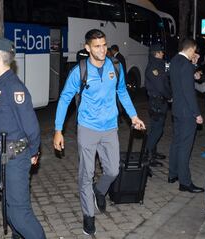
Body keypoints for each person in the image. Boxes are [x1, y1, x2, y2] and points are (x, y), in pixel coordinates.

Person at [53, 29, 145, 235]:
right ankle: (88, 215)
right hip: (87, 128)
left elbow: (122, 91)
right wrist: (58, 130)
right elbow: (65, 99)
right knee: (86, 174)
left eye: (104, 45)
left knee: (113, 170)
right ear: (87, 48)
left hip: (110, 127)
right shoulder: (80, 71)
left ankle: (99, 191)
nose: (102, 49)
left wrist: (133, 116)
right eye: (97, 46)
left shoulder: (116, 66)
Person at [0, 37, 46, 238]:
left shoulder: (13, 87)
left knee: (20, 214)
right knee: (8, 209)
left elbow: (32, 127)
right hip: (1, 156)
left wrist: (34, 151)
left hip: (15, 158)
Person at [168, 38, 204, 193]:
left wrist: (193, 65)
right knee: (185, 147)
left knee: (176, 142)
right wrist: (197, 114)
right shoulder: (186, 65)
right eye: (194, 51)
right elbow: (189, 92)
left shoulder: (175, 60)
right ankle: (185, 182)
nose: (195, 54)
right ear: (191, 49)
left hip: (176, 109)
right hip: (186, 112)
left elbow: (180, 81)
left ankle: (173, 174)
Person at [144, 43, 172, 167]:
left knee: (156, 128)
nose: (163, 53)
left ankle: (152, 152)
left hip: (159, 101)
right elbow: (161, 86)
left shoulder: (159, 65)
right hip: (157, 102)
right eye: (161, 52)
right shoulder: (154, 67)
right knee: (157, 130)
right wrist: (170, 96)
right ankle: (148, 155)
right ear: (156, 53)